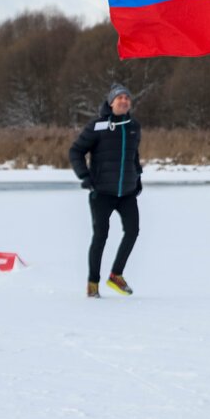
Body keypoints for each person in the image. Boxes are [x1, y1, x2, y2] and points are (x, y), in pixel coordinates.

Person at [69, 83, 143, 299]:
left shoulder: (134, 126)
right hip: (102, 192)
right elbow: (76, 151)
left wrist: (137, 176)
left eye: (127, 98)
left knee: (133, 231)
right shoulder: (98, 126)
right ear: (111, 103)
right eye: (119, 98)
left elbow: (133, 155)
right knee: (101, 236)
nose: (124, 101)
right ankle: (93, 283)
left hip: (127, 192)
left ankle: (116, 275)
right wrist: (85, 176)